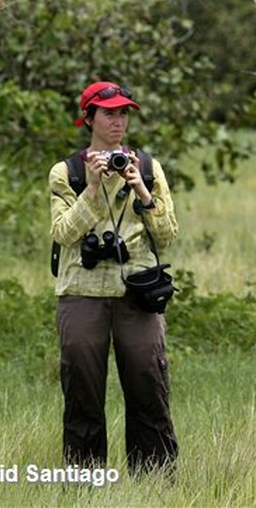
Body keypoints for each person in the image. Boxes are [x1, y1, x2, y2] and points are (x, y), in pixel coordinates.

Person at [49, 80, 179, 475]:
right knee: (83, 394)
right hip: (81, 293)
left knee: (148, 389)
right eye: (109, 113)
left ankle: (155, 482)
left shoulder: (146, 166)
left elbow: (168, 235)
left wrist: (142, 191)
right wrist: (91, 188)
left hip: (137, 293)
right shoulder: (66, 172)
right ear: (89, 118)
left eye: (124, 113)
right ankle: (85, 483)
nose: (118, 121)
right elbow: (63, 233)